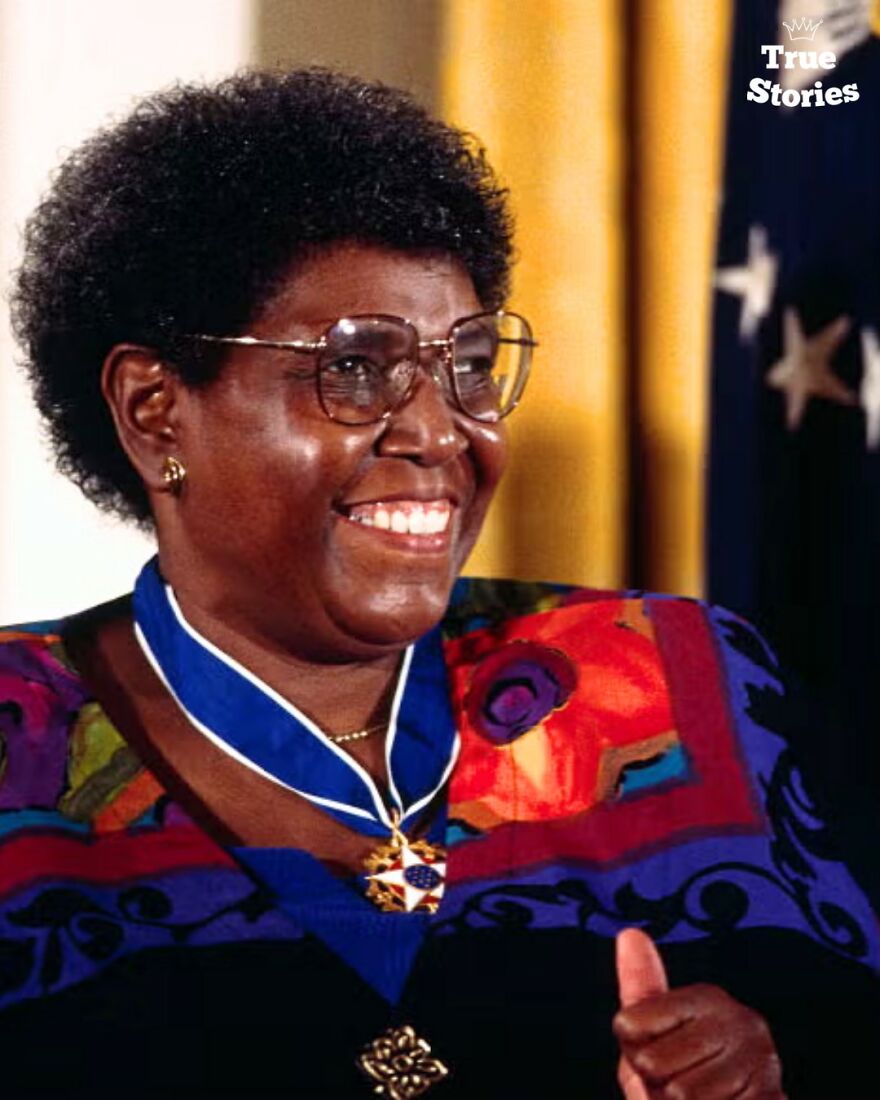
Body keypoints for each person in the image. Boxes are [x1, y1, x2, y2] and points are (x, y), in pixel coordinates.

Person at [0, 68, 876, 1098]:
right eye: (355, 368)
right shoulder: (21, 742)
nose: (439, 429)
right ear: (155, 413)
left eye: (466, 363)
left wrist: (781, 1073)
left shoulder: (677, 681)